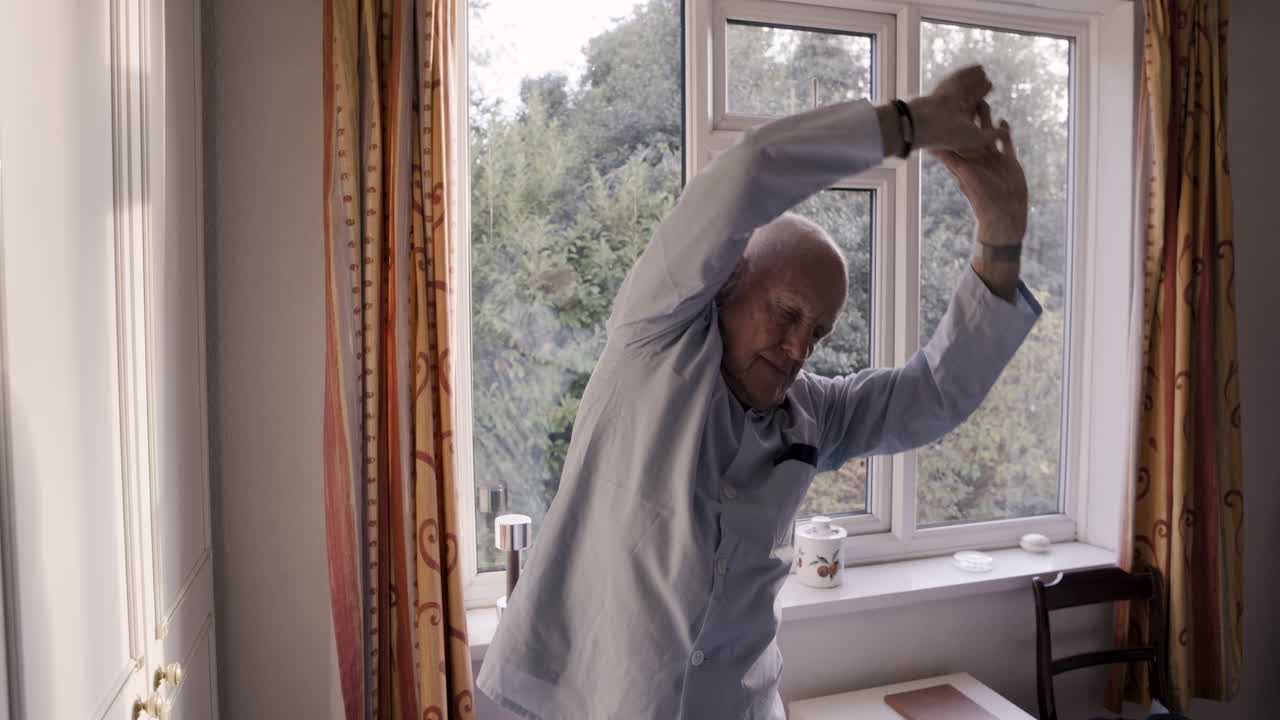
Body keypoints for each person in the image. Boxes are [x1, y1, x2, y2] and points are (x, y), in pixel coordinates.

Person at [477, 65, 1040, 719]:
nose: (800, 349)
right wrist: (911, 124)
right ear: (728, 283)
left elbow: (934, 394)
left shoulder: (814, 413)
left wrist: (1002, 236)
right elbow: (745, 175)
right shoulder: (652, 342)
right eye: (788, 314)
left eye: (820, 333)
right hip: (585, 700)